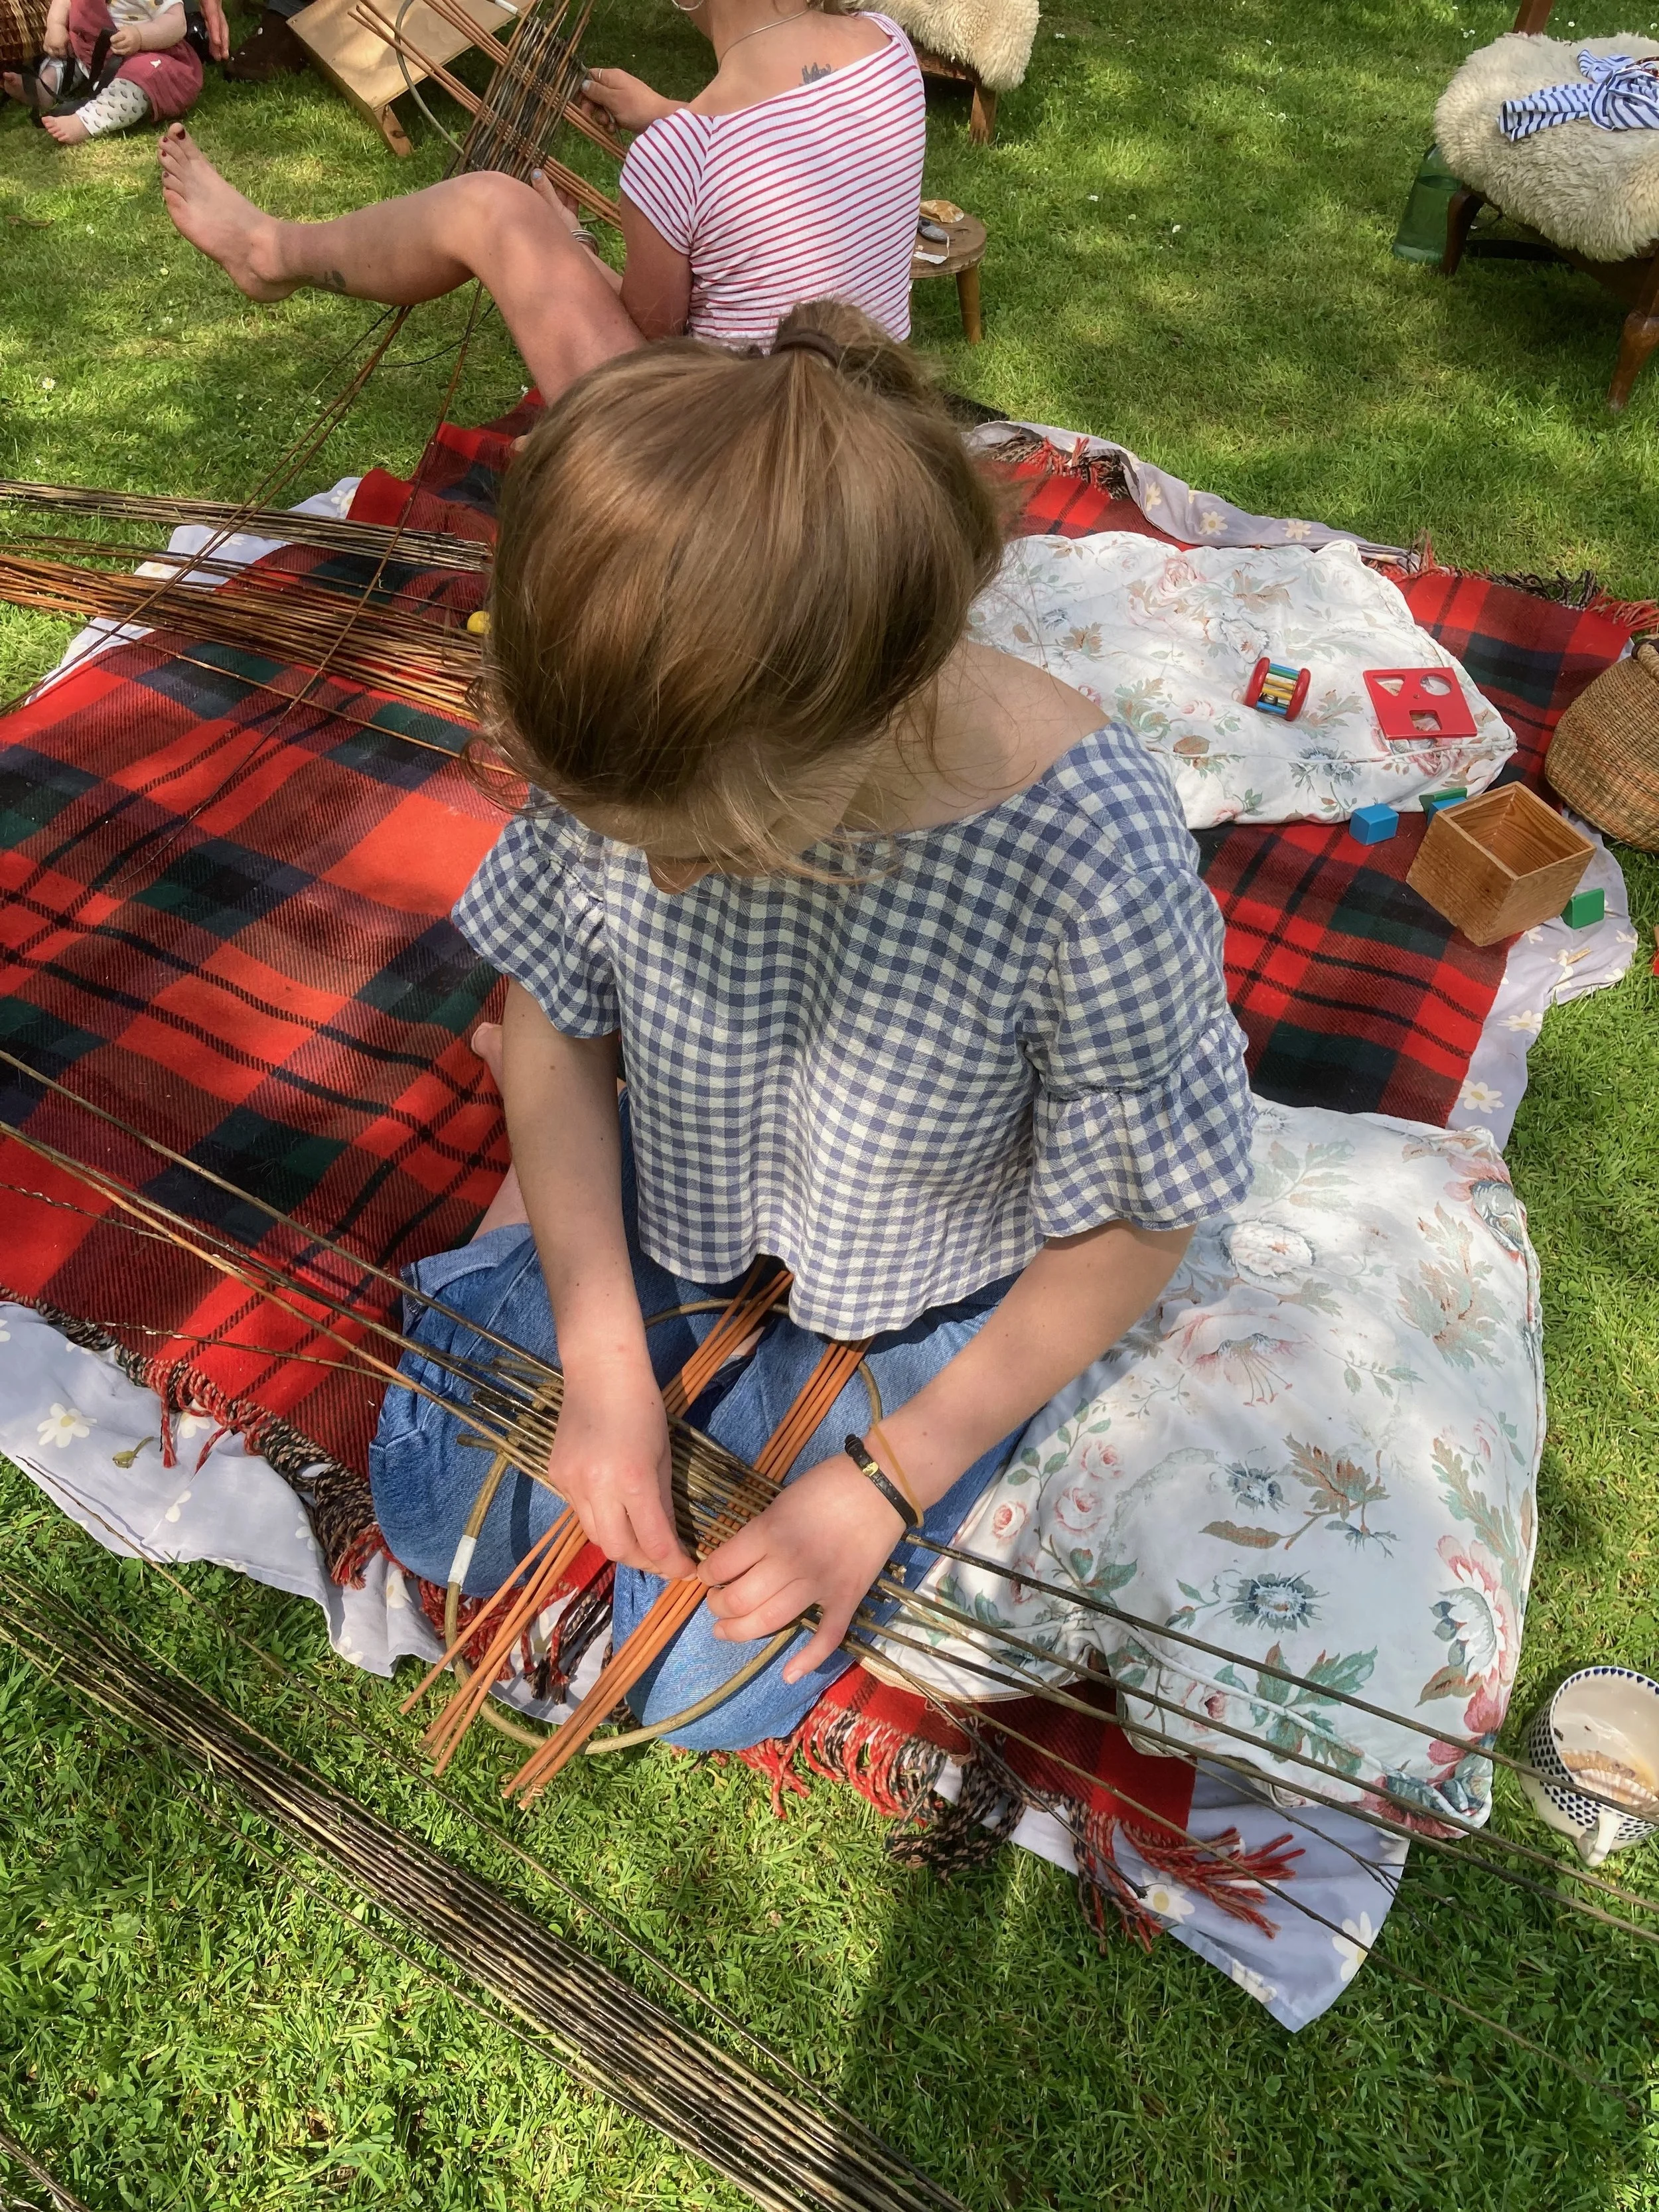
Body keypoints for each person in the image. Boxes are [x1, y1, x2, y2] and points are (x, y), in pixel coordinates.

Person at [369, 299, 1258, 1753]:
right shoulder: (643, 714)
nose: (656, 877)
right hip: (686, 1188)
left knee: (692, 1686)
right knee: (435, 1504)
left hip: (918, 1282)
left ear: (877, 717)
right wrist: (600, 1361)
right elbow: (554, 1021)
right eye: (626, 838)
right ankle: (558, 1263)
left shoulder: (1084, 852)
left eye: (707, 850)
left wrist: (885, 1481)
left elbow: (1133, 1228)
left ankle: (565, 1277)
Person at [156, 0, 925, 401]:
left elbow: (651, 341)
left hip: (741, 479)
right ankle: (270, 252)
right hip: (871, 428)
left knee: (493, 208)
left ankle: (270, 254)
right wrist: (668, 113)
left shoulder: (681, 154)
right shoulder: (890, 50)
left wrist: (572, 246)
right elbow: (787, 138)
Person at [3, 0, 224, 141]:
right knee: (62, 56)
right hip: (92, 53)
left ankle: (89, 120)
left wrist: (140, 37)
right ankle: (45, 89)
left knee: (142, 80)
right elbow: (64, 3)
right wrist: (56, 27)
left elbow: (176, 24)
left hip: (147, 55)